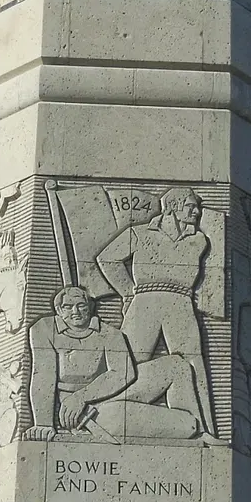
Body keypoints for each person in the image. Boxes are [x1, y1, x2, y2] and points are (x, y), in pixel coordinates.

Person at [94, 187, 215, 436]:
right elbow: (107, 258)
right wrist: (128, 292)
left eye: (198, 207)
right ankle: (100, 413)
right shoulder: (139, 233)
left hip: (181, 302)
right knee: (127, 362)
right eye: (191, 206)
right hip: (144, 301)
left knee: (194, 364)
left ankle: (205, 430)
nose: (196, 211)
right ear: (172, 206)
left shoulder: (199, 241)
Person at [27, 285, 202, 441]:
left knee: (176, 366)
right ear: (58, 310)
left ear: (90, 307)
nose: (76, 311)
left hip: (108, 392)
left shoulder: (109, 333)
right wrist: (43, 424)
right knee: (185, 425)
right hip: (81, 410)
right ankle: (190, 427)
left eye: (81, 305)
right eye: (68, 307)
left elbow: (124, 373)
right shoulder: (44, 329)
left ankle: (201, 430)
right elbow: (43, 377)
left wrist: (81, 397)